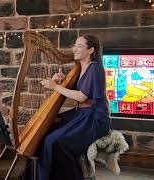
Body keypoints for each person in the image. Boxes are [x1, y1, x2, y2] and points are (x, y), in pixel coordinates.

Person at [27, 35, 111, 179]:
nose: (75, 49)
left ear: (90, 50)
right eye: (75, 45)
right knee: (47, 129)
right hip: (81, 114)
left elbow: (81, 96)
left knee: (54, 141)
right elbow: (73, 90)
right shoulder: (80, 68)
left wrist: (55, 87)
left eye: (79, 46)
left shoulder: (95, 68)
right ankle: (36, 175)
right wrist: (58, 82)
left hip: (93, 119)